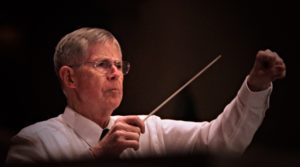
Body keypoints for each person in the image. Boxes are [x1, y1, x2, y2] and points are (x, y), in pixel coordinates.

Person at [6, 27, 286, 164]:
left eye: (119, 65)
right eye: (103, 64)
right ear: (69, 77)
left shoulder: (149, 129)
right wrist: (97, 156)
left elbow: (221, 141)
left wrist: (256, 86)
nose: (116, 73)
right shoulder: (35, 142)